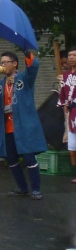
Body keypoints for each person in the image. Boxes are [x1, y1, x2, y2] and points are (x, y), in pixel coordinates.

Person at [0, 51, 47, 200]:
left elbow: (33, 68)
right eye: (1, 62)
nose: (2, 65)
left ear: (14, 63)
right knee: (11, 158)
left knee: (29, 157)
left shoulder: (24, 79)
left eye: (5, 62)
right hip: (7, 128)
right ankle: (22, 188)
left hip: (23, 126)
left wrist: (27, 52)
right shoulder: (1, 84)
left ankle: (35, 188)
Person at [58, 48, 76, 184]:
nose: (71, 57)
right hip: (71, 114)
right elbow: (63, 97)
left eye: (74, 55)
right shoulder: (65, 75)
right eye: (70, 55)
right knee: (72, 148)